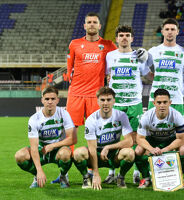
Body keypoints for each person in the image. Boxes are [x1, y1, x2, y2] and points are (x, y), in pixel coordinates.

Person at [57, 12, 117, 184]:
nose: (91, 25)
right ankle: (64, 173)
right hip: (75, 94)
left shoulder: (108, 45)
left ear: (100, 26)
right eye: (89, 22)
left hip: (96, 96)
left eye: (95, 22)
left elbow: (117, 61)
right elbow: (69, 69)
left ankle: (96, 171)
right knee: (70, 135)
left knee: (102, 135)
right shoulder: (75, 44)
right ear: (84, 26)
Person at [105, 25, 153, 184]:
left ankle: (136, 173)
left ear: (132, 38)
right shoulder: (110, 56)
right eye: (121, 35)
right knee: (113, 138)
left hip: (134, 104)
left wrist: (150, 59)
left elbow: (149, 76)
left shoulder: (139, 56)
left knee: (134, 139)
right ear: (117, 39)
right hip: (115, 105)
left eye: (127, 35)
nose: (124, 38)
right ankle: (111, 172)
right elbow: (106, 76)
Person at [73, 87, 134, 190]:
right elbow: (92, 148)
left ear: (114, 101)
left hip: (113, 155)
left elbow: (130, 141)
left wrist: (108, 147)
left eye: (109, 100)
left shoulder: (121, 116)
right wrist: (96, 173)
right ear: (97, 101)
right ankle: (86, 177)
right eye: (102, 100)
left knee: (130, 153)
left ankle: (121, 177)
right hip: (95, 154)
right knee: (78, 153)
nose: (105, 103)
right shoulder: (91, 119)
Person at [14, 86, 75, 188]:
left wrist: (53, 145)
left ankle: (63, 176)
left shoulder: (64, 114)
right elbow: (34, 147)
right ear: (42, 100)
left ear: (57, 100)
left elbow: (72, 139)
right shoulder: (34, 119)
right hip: (41, 150)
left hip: (58, 150)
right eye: (47, 99)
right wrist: (39, 170)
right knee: (20, 156)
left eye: (53, 99)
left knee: (65, 153)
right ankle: (36, 176)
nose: (50, 102)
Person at [135, 89, 184, 188]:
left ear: (170, 103)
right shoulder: (146, 116)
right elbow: (139, 138)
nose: (162, 105)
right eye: (159, 102)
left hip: (170, 140)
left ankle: (179, 180)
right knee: (138, 150)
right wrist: (151, 149)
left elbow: (181, 139)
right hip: (153, 139)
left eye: (165, 102)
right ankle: (146, 178)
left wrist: (165, 149)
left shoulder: (177, 116)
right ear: (154, 103)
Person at [146, 18, 184, 119]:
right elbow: (142, 69)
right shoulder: (153, 51)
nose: (170, 32)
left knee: (178, 134)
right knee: (152, 133)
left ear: (177, 32)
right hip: (155, 100)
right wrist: (151, 77)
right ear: (162, 32)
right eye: (167, 29)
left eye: (173, 29)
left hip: (176, 99)